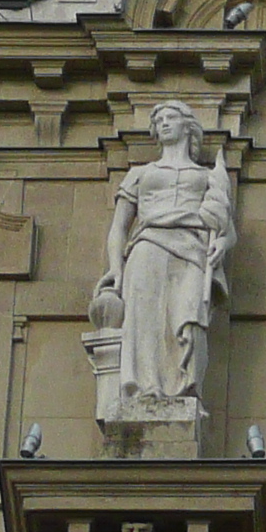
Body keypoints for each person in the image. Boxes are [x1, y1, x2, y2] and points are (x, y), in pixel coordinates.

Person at [93, 101, 235, 403]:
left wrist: (222, 243)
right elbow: (119, 227)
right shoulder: (140, 174)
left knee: (190, 320)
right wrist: (116, 269)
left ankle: (184, 386)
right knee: (144, 322)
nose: (164, 124)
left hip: (192, 252)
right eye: (159, 121)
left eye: (170, 118)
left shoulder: (208, 177)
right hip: (148, 248)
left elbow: (226, 229)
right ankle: (149, 389)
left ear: (187, 126)